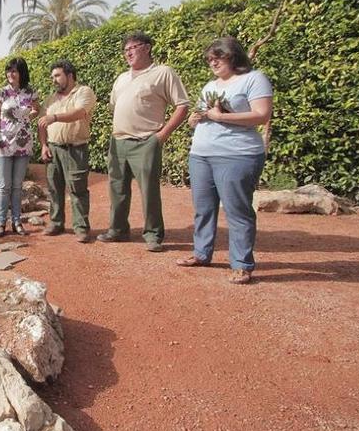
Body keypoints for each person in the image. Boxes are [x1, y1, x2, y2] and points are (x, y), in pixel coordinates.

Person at [177, 36, 273, 284]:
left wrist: (220, 117)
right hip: (201, 154)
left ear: (231, 55)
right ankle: (201, 253)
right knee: (203, 208)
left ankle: (241, 264)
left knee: (237, 210)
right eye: (209, 59)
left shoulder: (254, 79)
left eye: (217, 57)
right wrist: (195, 119)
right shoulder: (210, 85)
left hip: (237, 155)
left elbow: (262, 115)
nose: (212, 62)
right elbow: (200, 113)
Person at [98, 31, 190, 252]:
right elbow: (115, 106)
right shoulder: (121, 78)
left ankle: (153, 234)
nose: (128, 52)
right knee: (117, 189)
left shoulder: (162, 73)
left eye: (133, 47)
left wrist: (162, 135)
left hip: (146, 142)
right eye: (126, 50)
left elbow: (182, 105)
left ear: (147, 47)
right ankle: (118, 230)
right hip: (118, 142)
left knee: (149, 191)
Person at [37, 60, 97, 243]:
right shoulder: (50, 99)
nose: (53, 80)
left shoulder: (83, 92)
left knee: (77, 189)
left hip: (76, 149)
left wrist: (54, 117)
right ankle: (56, 223)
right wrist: (44, 145)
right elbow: (41, 123)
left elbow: (79, 112)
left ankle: (81, 228)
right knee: (54, 189)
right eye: (52, 76)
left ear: (69, 76)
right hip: (53, 148)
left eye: (57, 75)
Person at [0, 57, 40, 237]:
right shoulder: (1, 93)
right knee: (4, 186)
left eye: (14, 71)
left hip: (23, 144)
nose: (10, 74)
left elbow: (37, 110)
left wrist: (27, 116)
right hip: (3, 144)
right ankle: (1, 222)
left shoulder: (30, 92)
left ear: (21, 73)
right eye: (8, 70)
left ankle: (17, 222)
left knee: (18, 186)